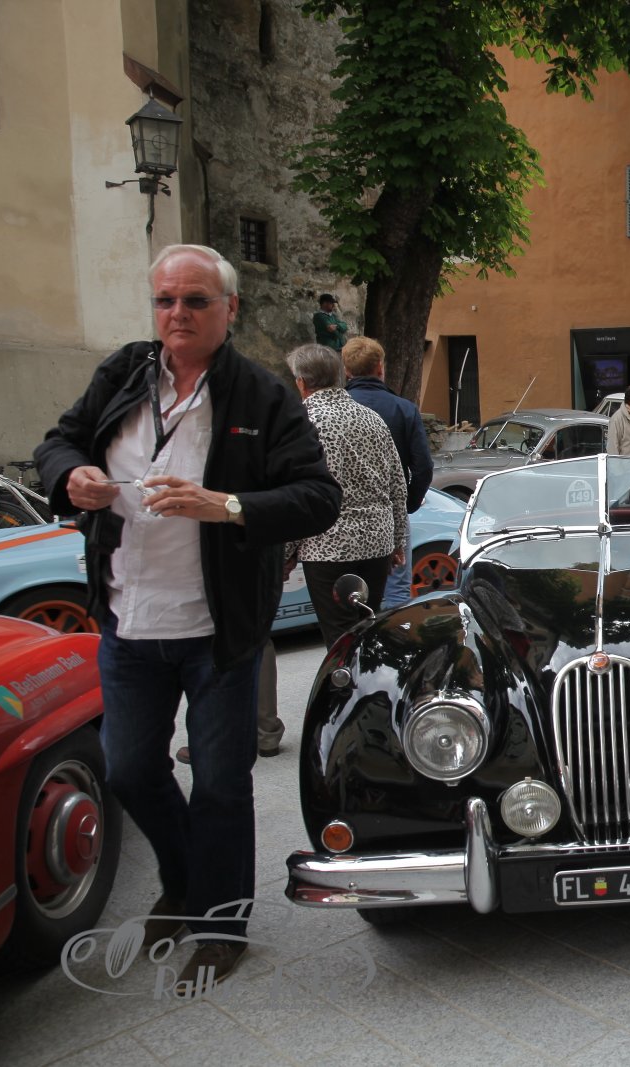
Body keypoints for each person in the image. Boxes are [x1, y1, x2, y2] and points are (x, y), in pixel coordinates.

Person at [35, 244, 341, 991]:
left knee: (221, 785)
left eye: (196, 300)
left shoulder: (261, 395)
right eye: (165, 300)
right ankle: (181, 881)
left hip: (217, 630)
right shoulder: (124, 371)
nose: (178, 314)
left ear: (229, 308)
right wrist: (71, 476)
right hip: (128, 619)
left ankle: (220, 925)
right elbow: (59, 442)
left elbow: (317, 496)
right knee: (130, 769)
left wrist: (226, 505)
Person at [285, 343, 409, 649]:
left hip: (328, 547)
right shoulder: (371, 418)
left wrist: (285, 552)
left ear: (301, 382)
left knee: (340, 640)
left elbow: (301, 493)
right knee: (367, 632)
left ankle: (347, 680)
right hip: (376, 541)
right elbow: (397, 484)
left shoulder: (303, 422)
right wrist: (397, 541)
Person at [342, 336, 434, 608]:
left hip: (343, 514)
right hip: (390, 513)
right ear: (380, 367)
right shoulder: (403, 409)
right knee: (396, 590)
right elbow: (423, 467)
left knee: (348, 594)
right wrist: (408, 504)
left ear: (346, 370)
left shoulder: (335, 410)